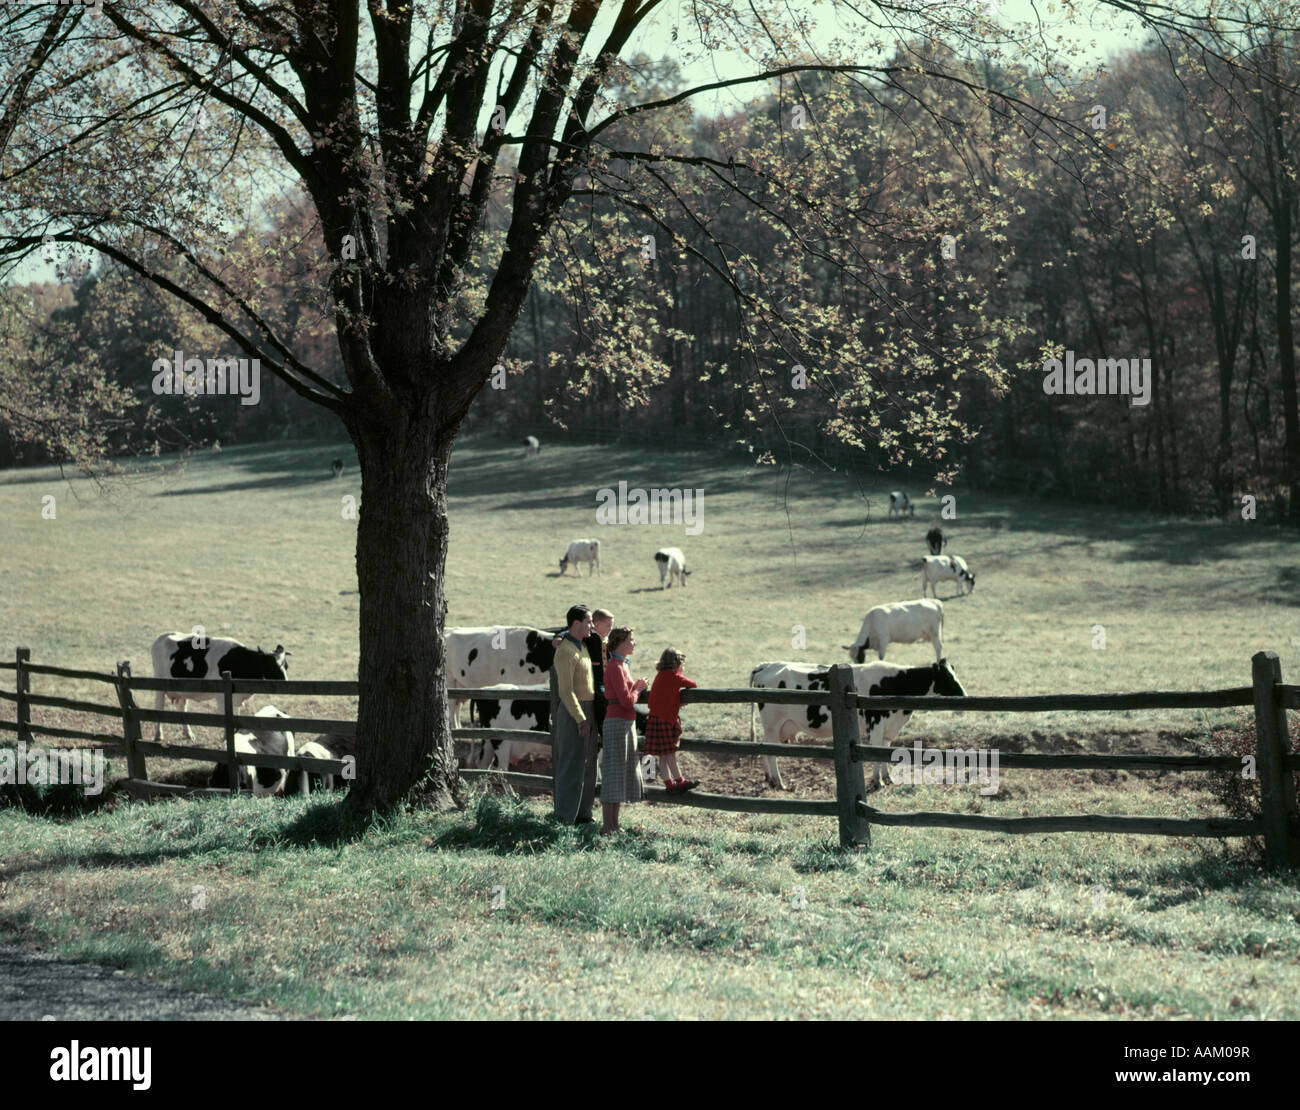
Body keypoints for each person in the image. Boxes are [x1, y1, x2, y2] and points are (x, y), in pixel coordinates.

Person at [551, 605, 597, 825]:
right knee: (570, 764)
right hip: (573, 710)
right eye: (588, 621)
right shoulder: (566, 651)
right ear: (576, 623)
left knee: (587, 765)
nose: (591, 626)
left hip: (588, 708)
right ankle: (564, 817)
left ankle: (583, 814)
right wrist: (581, 718)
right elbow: (565, 691)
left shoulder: (583, 646)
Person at [600, 627, 648, 834]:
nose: (634, 642)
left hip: (624, 723)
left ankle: (614, 825)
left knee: (617, 772)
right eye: (631, 639)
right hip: (618, 722)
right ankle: (607, 825)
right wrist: (638, 688)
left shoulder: (620, 665)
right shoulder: (616, 667)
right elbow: (627, 701)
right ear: (620, 642)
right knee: (613, 772)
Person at [645, 647, 699, 793]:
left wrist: (676, 699)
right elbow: (693, 685)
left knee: (663, 756)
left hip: (654, 719)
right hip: (665, 720)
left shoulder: (660, 675)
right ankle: (680, 781)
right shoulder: (674, 677)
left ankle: (668, 784)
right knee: (670, 754)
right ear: (676, 663)